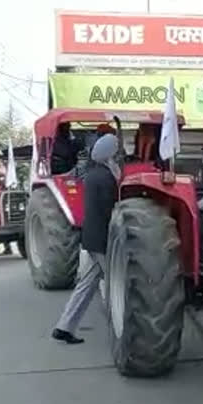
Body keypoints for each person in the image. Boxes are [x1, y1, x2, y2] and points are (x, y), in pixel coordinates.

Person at [52, 134, 120, 344]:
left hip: (91, 237)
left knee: (87, 284)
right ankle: (121, 328)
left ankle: (64, 327)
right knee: (116, 284)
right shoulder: (107, 178)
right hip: (101, 240)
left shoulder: (92, 174)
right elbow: (112, 211)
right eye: (117, 151)